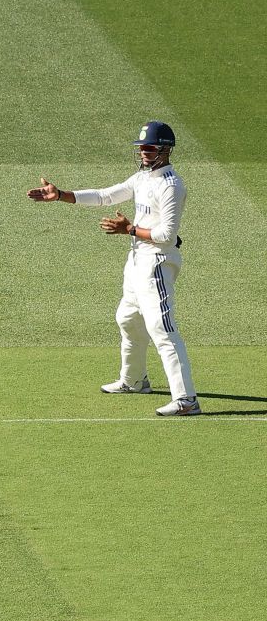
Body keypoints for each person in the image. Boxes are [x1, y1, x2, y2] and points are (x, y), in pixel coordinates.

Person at [29, 121, 199, 417]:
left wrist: (130, 229)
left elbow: (167, 235)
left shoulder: (171, 185)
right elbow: (106, 195)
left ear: (165, 149)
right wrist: (62, 195)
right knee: (128, 318)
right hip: (136, 261)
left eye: (150, 147)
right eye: (141, 147)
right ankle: (134, 381)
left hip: (157, 261)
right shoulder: (142, 178)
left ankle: (186, 400)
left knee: (162, 328)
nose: (144, 152)